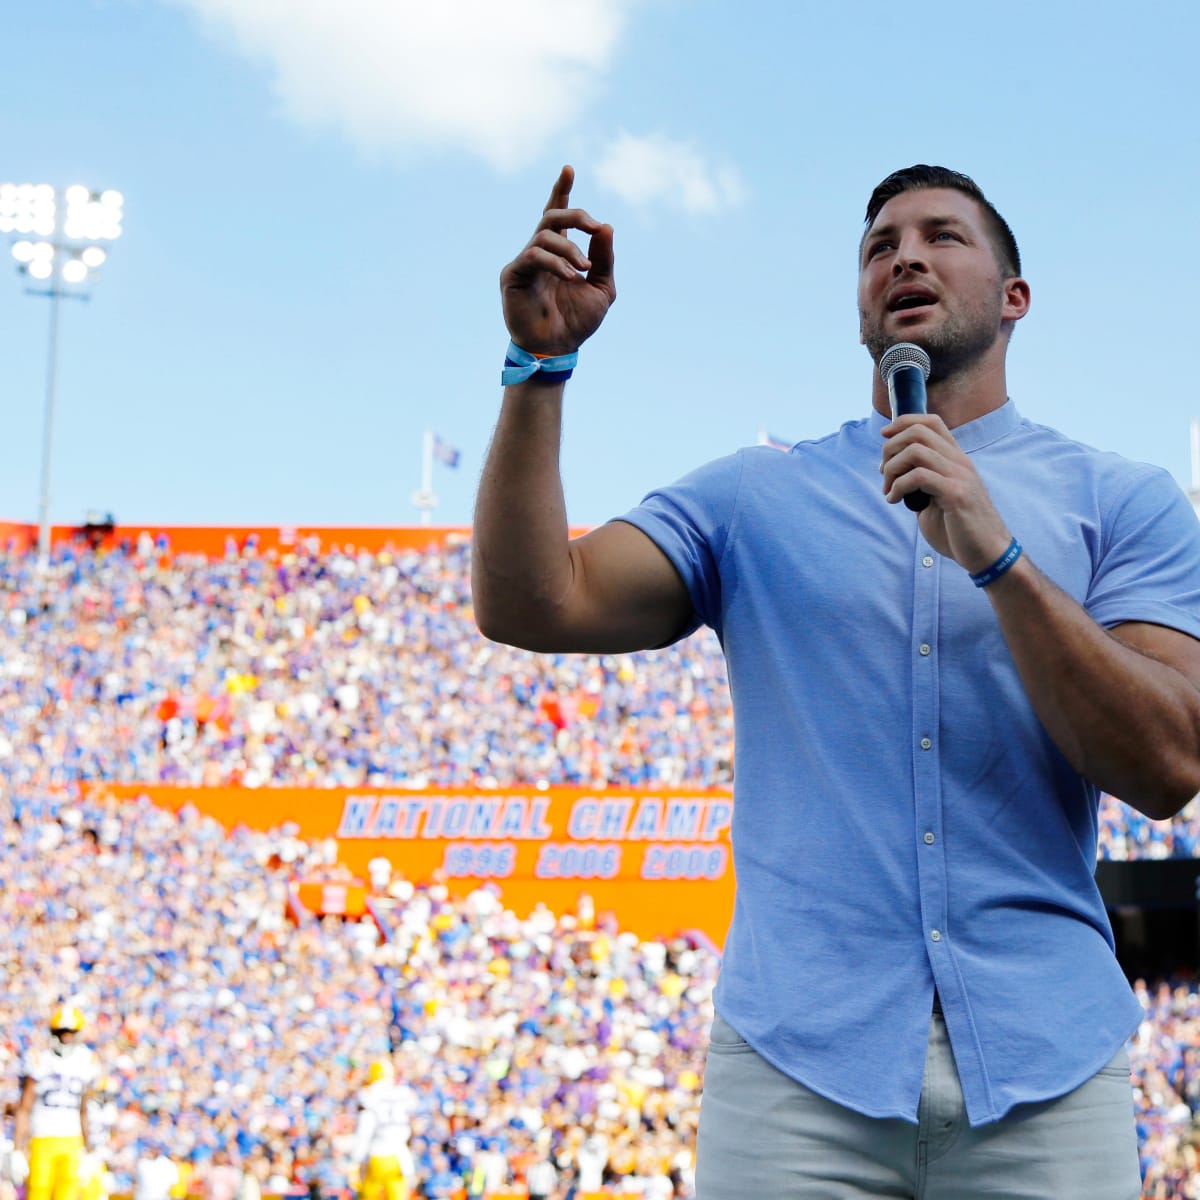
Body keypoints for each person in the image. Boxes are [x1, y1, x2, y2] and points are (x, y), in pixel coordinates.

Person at [472, 163, 1200, 1198]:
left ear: (1014, 296)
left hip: (1049, 1072)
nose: (904, 254)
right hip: (796, 1082)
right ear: (862, 302)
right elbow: (531, 603)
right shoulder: (756, 494)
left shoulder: (1123, 501)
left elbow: (1168, 764)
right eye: (879, 245)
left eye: (943, 236)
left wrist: (999, 560)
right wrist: (536, 368)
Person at [12, 1005, 101, 1200]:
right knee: (38, 1190)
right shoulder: (39, 1060)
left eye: (70, 1032)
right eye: (62, 1032)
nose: (66, 1037)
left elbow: (83, 1110)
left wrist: (89, 1149)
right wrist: (17, 1149)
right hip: (42, 1137)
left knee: (68, 1193)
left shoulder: (86, 1061)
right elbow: (24, 1109)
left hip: (72, 1139)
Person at [349, 1059, 418, 1200]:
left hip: (378, 1156)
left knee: (368, 1194)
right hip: (400, 1157)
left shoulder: (370, 1094)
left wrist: (355, 1160)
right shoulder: (402, 1092)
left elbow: (365, 1131)